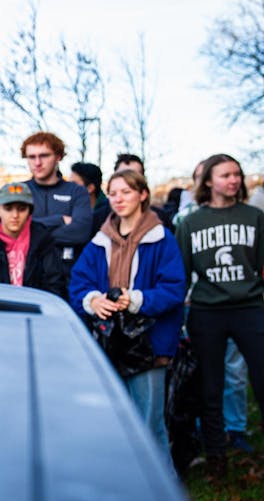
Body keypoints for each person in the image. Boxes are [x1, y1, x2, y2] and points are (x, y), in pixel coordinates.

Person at [69, 169, 186, 466]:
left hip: (149, 345)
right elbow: (78, 283)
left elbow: (174, 290)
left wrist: (135, 299)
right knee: (113, 427)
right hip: (108, 344)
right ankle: (123, 496)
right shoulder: (100, 240)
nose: (118, 199)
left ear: (143, 194)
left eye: (126, 192)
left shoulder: (162, 239)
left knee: (149, 428)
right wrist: (92, 300)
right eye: (113, 192)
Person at [176, 154, 264, 478]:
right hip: (206, 311)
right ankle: (216, 458)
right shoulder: (190, 223)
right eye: (226, 175)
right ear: (209, 181)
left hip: (249, 308)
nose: (234, 180)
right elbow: (182, 274)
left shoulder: (255, 217)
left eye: (237, 174)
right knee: (210, 387)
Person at [0, 182, 64, 296]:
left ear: (30, 211)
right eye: (8, 208)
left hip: (33, 311)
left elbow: (55, 285)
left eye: (22, 209)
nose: (15, 215)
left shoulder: (43, 242)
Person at [20, 132, 92, 284]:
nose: (37, 163)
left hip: (69, 278)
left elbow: (81, 232)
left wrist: (32, 230)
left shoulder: (77, 192)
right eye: (31, 157)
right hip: (28, 279)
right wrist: (59, 219)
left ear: (58, 156)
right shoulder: (20, 191)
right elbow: (13, 231)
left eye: (44, 156)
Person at [69, 161, 110, 239]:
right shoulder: (66, 209)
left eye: (74, 184)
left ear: (90, 188)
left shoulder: (108, 216)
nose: (68, 188)